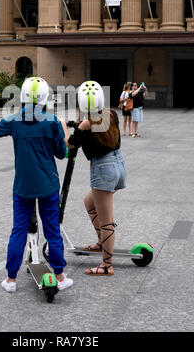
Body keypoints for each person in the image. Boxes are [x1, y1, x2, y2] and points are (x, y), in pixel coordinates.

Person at [0, 76, 73, 293]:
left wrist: (16, 117)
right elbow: (61, 153)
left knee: (18, 230)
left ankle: (11, 279)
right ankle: (60, 275)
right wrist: (64, 136)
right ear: (45, 97)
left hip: (23, 186)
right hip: (47, 185)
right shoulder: (52, 121)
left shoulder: (16, 120)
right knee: (52, 230)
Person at [62, 80, 126, 277]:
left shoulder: (87, 123)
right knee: (89, 202)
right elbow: (88, 130)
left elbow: (71, 143)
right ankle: (101, 242)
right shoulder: (110, 115)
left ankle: (107, 265)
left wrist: (63, 125)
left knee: (107, 220)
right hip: (118, 165)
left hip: (103, 169)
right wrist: (77, 124)